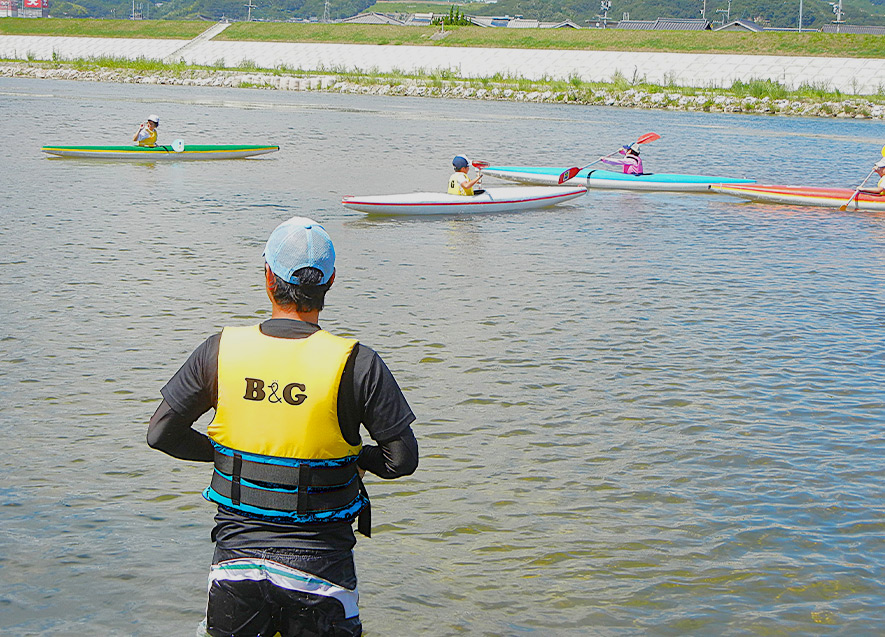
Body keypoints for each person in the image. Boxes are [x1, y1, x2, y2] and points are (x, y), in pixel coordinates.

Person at [147, 216, 419, 637]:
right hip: (320, 567)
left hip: (236, 563)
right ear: (330, 283)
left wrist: (226, 455)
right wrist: (353, 457)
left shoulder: (220, 350)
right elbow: (401, 460)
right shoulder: (357, 363)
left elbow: (161, 433)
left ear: (269, 276)